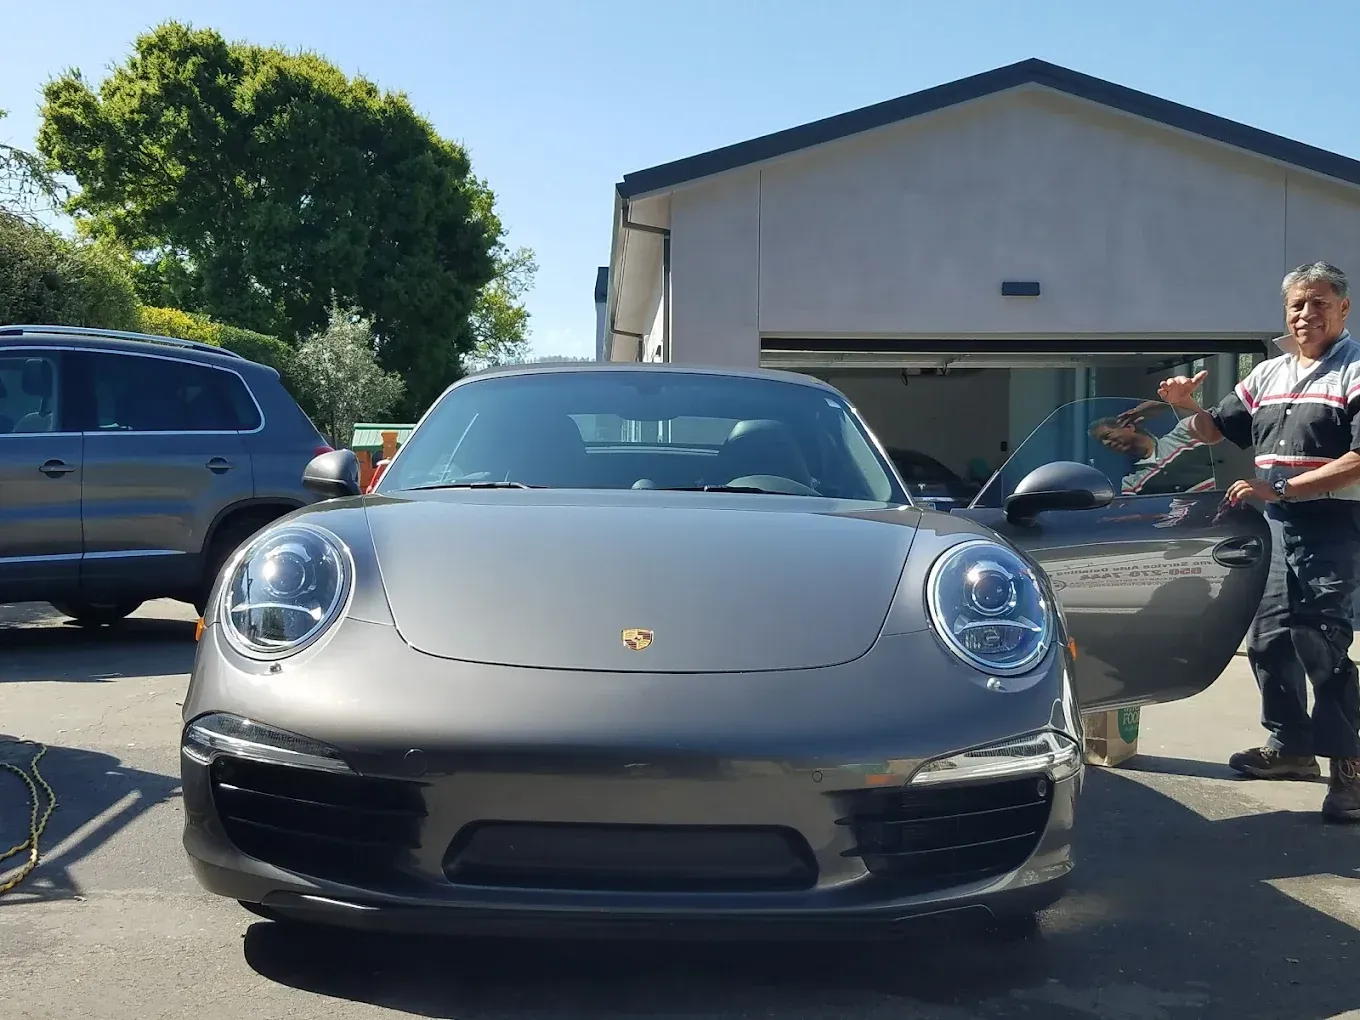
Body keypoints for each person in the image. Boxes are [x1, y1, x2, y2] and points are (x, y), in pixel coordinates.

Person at [1157, 261, 1360, 823]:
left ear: (1343, 309)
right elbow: (1215, 430)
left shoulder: (1356, 371)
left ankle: (1350, 769)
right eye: (1297, 303)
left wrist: (1282, 488)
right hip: (1273, 522)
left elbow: (1359, 459)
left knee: (1320, 638)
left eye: (1319, 302)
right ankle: (1291, 748)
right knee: (1269, 636)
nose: (1306, 313)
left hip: (1330, 521)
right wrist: (1185, 406)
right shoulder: (1269, 375)